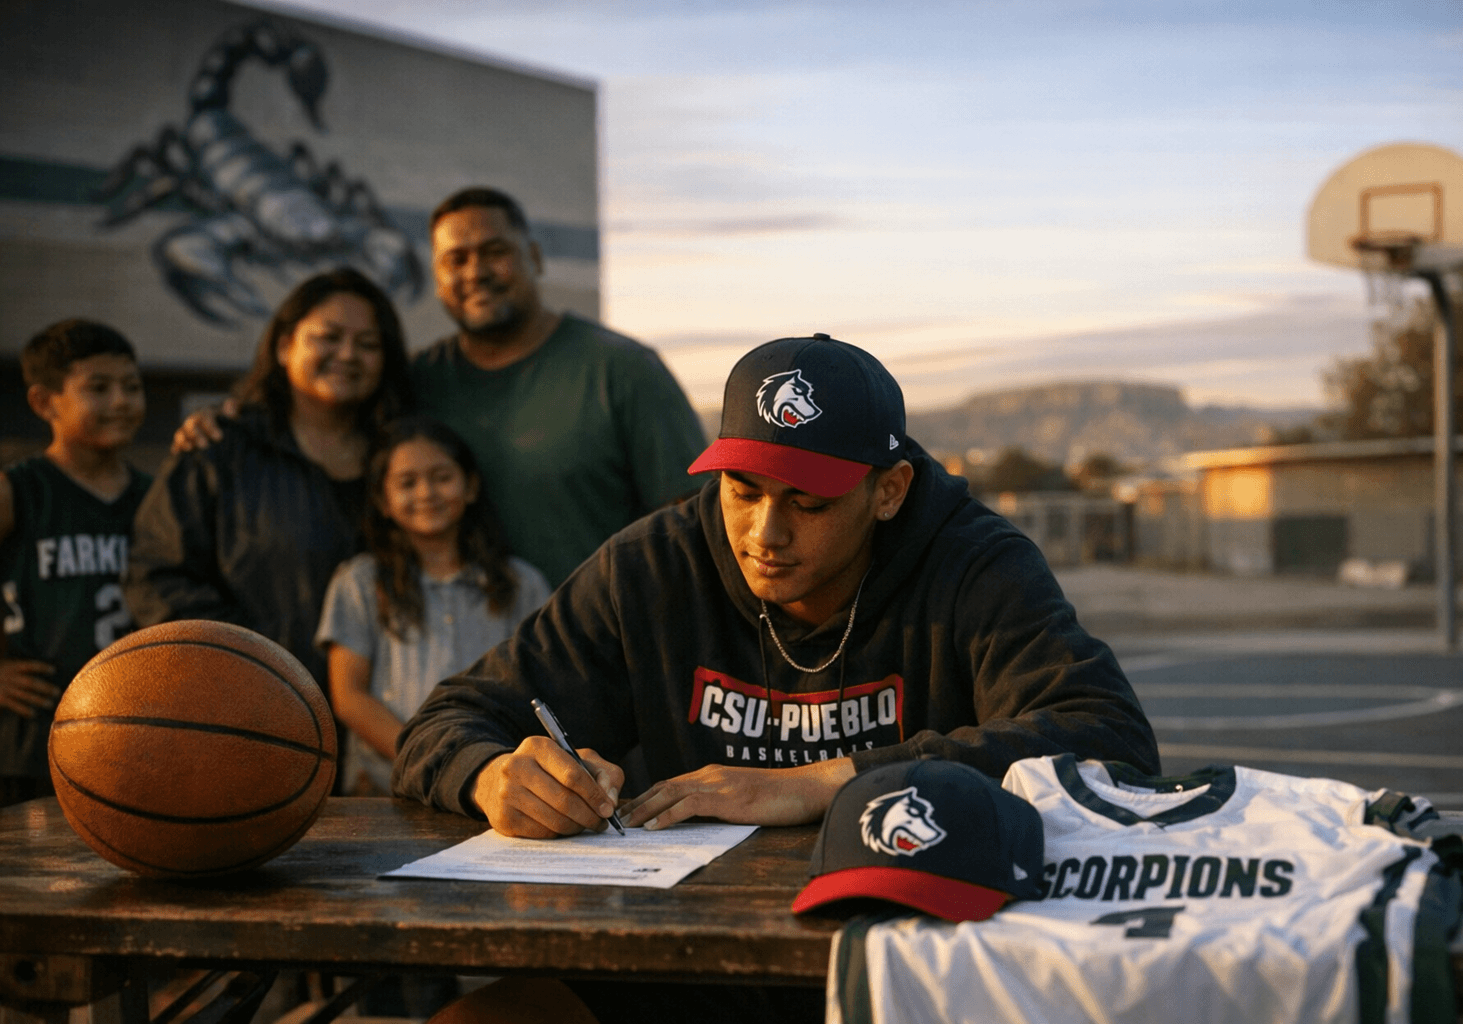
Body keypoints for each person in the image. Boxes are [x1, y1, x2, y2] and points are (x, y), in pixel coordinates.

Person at [393, 333, 1159, 1024]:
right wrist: (495, 775)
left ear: (887, 490)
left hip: (907, 950)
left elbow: (1107, 738)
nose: (766, 533)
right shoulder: (653, 564)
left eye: (810, 502)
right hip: (683, 958)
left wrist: (824, 781)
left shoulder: (971, 562)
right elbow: (446, 722)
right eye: (744, 491)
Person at [175, 187, 707, 587]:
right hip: (456, 669)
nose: (476, 271)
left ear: (536, 258)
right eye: (456, 259)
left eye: (494, 251)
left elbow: (693, 525)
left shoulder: (622, 369)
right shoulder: (417, 381)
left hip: (603, 662)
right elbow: (327, 420)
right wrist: (231, 417)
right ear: (437, 277)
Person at [125, 268, 414, 721]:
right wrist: (251, 663)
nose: (347, 354)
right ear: (284, 346)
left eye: (368, 344)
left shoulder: (406, 464)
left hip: (384, 723)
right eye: (329, 337)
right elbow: (157, 574)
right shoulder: (220, 447)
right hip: (245, 715)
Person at [316, 415, 551, 797]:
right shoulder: (358, 582)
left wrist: (482, 772)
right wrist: (432, 764)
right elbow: (349, 697)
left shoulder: (522, 584)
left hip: (496, 788)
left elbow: (540, 686)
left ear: (471, 486)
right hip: (382, 792)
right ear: (383, 501)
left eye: (442, 477)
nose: (426, 493)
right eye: (407, 483)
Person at [1, 320, 149, 807]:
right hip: (30, 742)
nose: (122, 402)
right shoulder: (17, 491)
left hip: (133, 735)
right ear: (45, 402)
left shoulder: (156, 497)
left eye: (131, 386)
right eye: (99, 388)